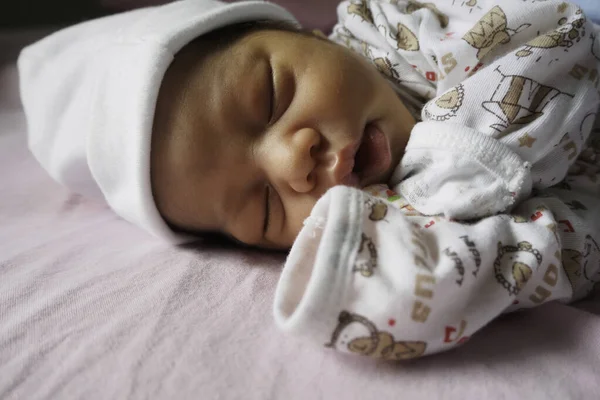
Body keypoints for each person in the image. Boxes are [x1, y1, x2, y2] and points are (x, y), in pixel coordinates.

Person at [18, 0, 600, 361]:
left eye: (273, 97)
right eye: (264, 206)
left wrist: (435, 193)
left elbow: (559, 37)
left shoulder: (399, 27)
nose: (291, 163)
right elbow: (559, 253)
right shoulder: (395, 223)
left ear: (308, 36)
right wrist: (397, 274)